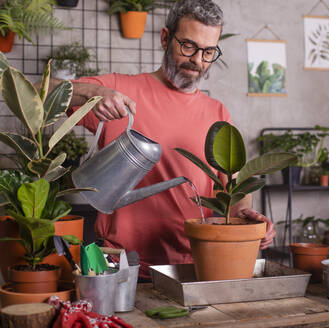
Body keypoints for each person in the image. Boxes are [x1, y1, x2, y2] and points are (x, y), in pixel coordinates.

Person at [48, 0, 275, 279]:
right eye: (188, 46)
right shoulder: (120, 90)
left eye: (208, 52)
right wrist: (91, 94)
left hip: (195, 266)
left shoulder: (217, 113)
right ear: (165, 38)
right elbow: (35, 92)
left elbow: (235, 191)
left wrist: (247, 217)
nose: (197, 61)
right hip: (123, 269)